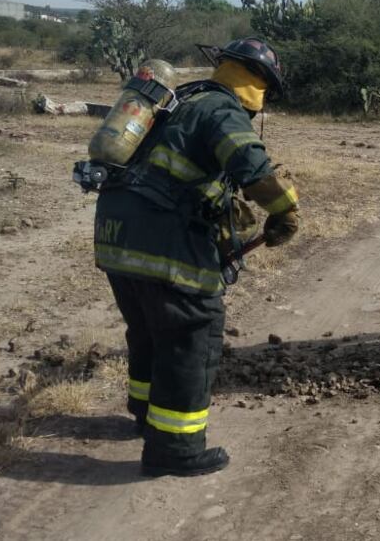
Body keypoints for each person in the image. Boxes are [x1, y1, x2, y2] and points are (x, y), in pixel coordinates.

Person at [93, 38, 300, 477]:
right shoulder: (221, 109)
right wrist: (286, 211)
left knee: (149, 328)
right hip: (163, 239)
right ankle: (176, 449)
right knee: (193, 332)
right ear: (259, 83)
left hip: (114, 233)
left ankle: (145, 415)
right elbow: (251, 165)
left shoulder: (177, 100)